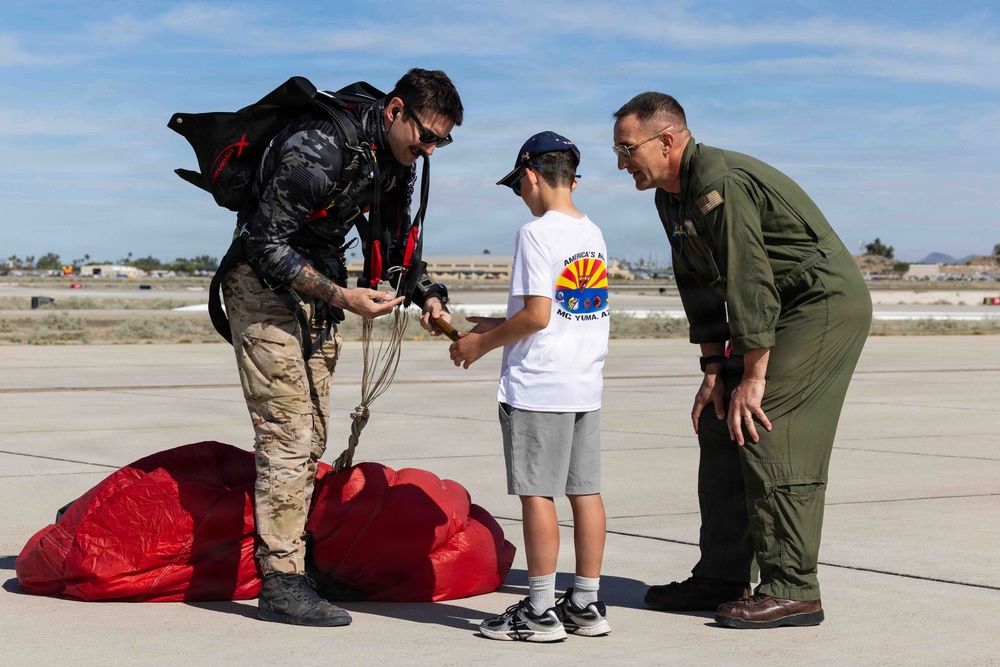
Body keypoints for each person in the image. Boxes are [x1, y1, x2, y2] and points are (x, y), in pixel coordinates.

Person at [611, 93, 872, 629]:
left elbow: (747, 275)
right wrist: (715, 371)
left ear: (667, 140)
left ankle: (793, 587)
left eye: (626, 149)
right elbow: (699, 285)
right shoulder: (669, 197)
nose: (620, 163)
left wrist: (753, 375)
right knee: (718, 418)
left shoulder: (718, 180)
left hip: (819, 303)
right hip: (772, 311)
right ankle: (723, 574)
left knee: (765, 420)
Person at [220, 69, 463, 626]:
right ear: (396, 110)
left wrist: (425, 293)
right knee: (288, 433)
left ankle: (296, 562)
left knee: (314, 438)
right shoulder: (322, 147)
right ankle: (280, 581)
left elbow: (399, 243)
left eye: (442, 143)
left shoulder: (393, 162)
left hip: (323, 292)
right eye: (426, 135)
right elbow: (263, 242)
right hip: (262, 288)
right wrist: (341, 295)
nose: (429, 150)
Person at [449, 131, 612, 642]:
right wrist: (497, 320)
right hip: (583, 382)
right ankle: (585, 602)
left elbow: (539, 316)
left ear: (533, 176)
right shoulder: (593, 233)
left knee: (537, 494)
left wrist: (480, 344)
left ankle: (540, 610)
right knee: (585, 492)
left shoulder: (535, 232)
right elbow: (564, 308)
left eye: (518, 184)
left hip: (539, 386)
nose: (520, 194)